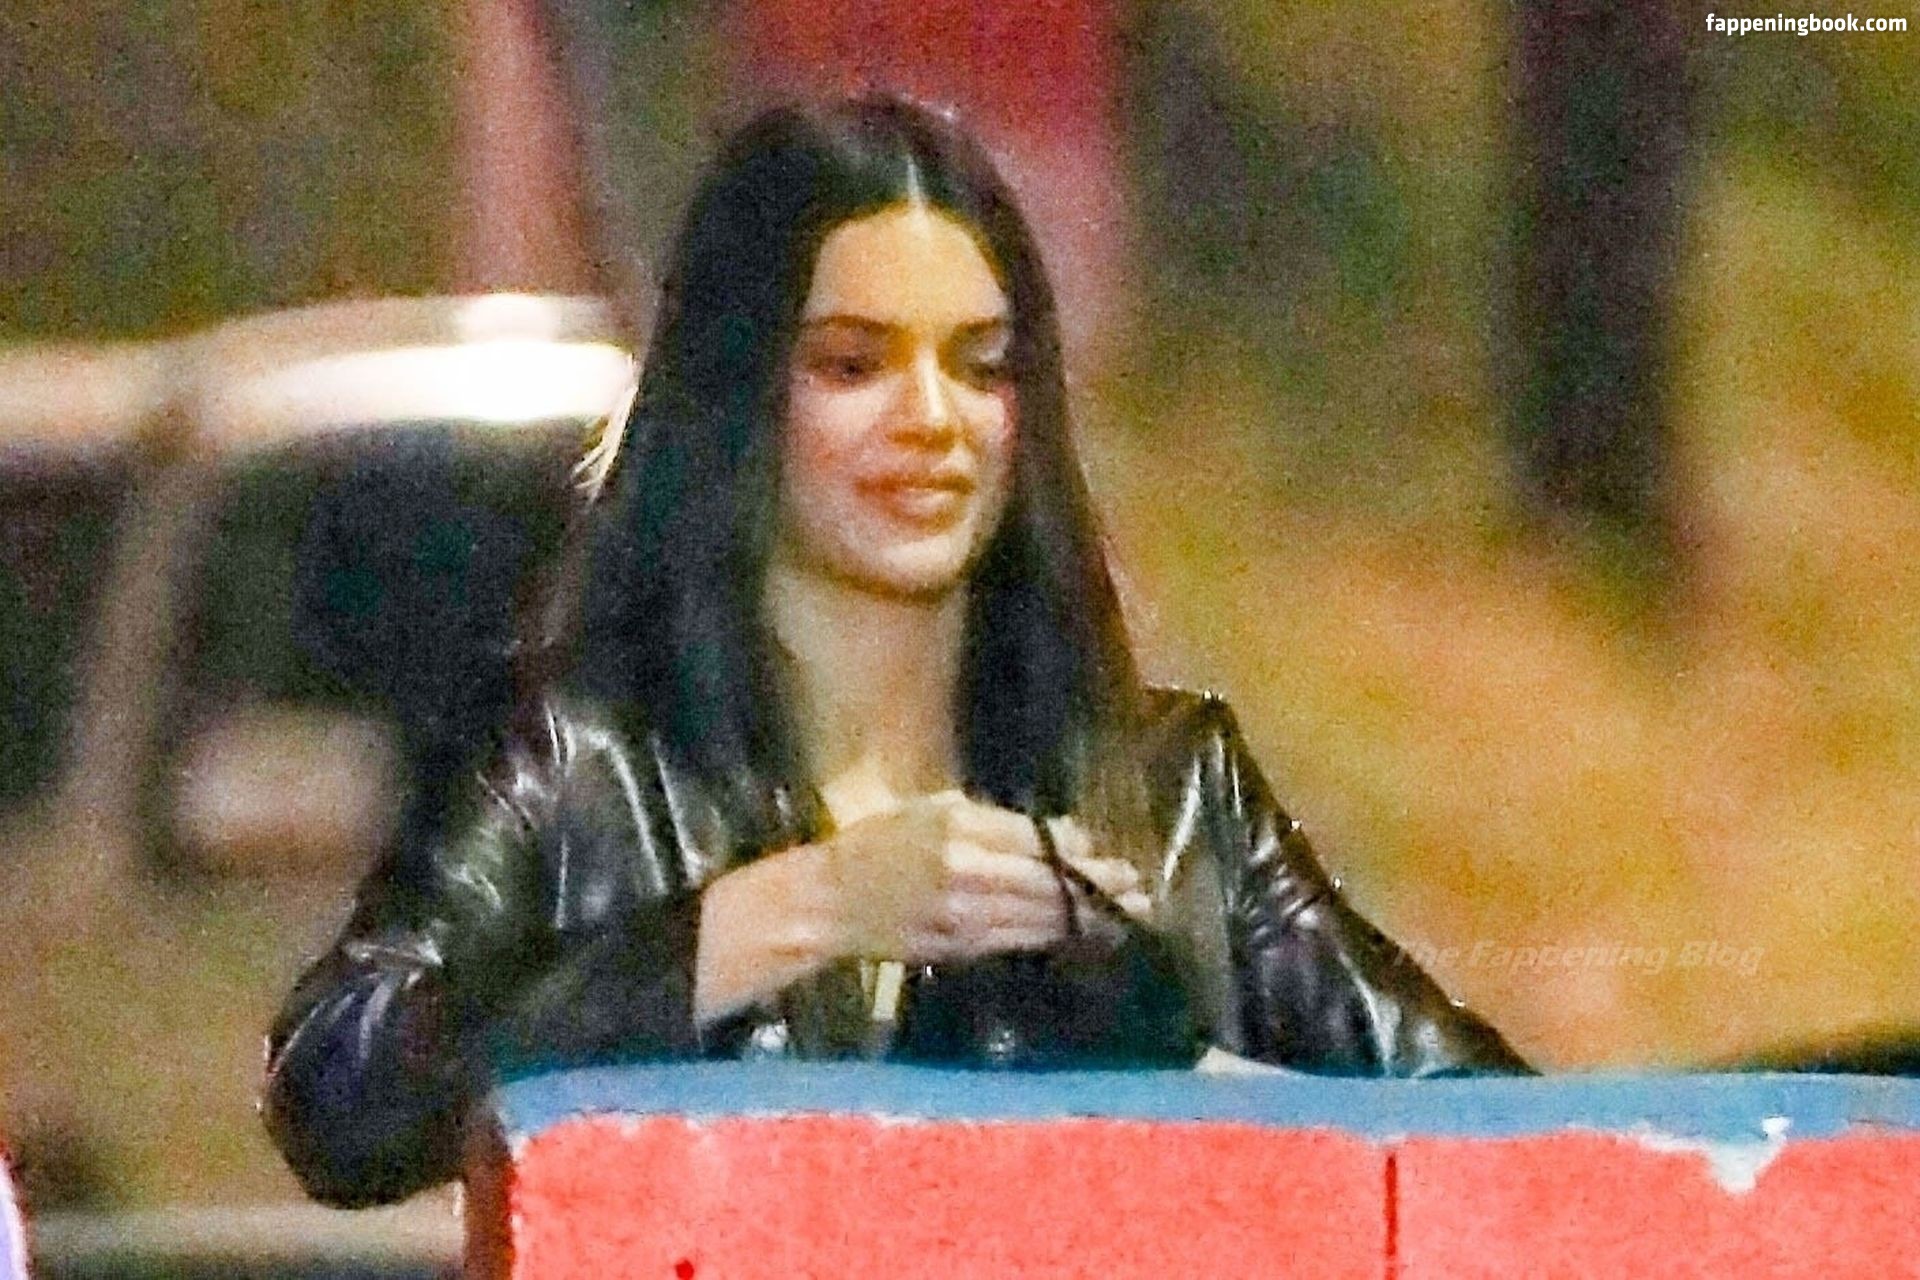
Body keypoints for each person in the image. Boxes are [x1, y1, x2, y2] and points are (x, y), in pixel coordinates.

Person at [263, 96, 1527, 1209]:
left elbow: (1518, 1150)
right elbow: (339, 1087)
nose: (932, 419)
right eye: (854, 363)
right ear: (736, 392)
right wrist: (797, 909)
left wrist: (1207, 1097)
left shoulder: (1175, 794)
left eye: (981, 366)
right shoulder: (575, 765)